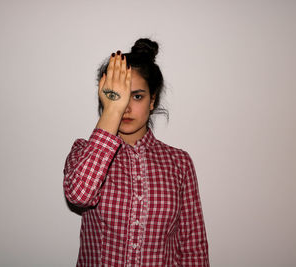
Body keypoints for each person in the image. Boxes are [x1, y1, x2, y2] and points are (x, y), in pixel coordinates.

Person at [63, 38, 209, 266]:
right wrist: (112, 110)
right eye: (117, 96)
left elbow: (192, 247)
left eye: (137, 96)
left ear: (152, 100)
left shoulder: (179, 163)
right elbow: (79, 195)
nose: (126, 107)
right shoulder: (84, 151)